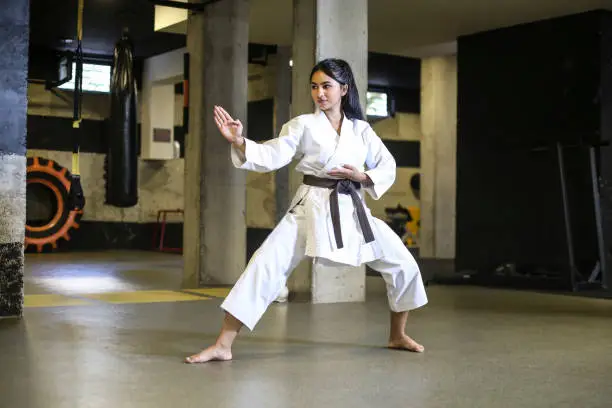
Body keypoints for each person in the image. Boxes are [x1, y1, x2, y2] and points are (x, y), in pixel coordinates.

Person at [185, 58, 428, 364]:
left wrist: (362, 177)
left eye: (327, 86)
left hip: (352, 207)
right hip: (310, 205)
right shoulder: (302, 125)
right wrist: (240, 141)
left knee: (403, 263)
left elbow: (387, 165)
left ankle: (397, 334)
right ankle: (223, 344)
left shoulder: (362, 130)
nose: (320, 93)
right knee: (266, 264)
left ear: (344, 89)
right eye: (314, 86)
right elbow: (272, 154)